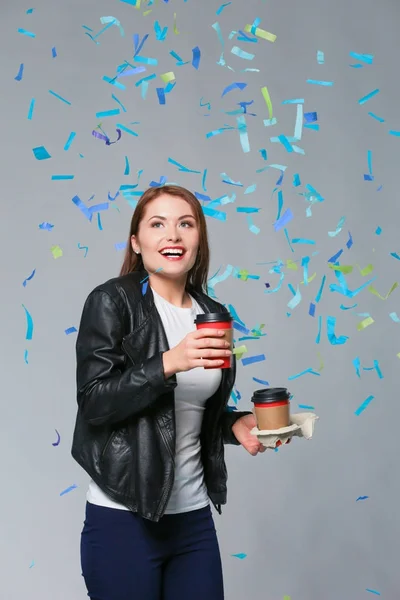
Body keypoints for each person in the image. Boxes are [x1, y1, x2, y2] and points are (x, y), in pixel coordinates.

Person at [71, 185, 267, 600]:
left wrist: (237, 425)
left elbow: (191, 410)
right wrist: (167, 363)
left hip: (193, 521)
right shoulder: (112, 301)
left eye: (186, 224)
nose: (173, 236)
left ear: (199, 239)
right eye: (157, 224)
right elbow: (94, 402)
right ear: (136, 242)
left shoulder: (211, 314)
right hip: (124, 519)